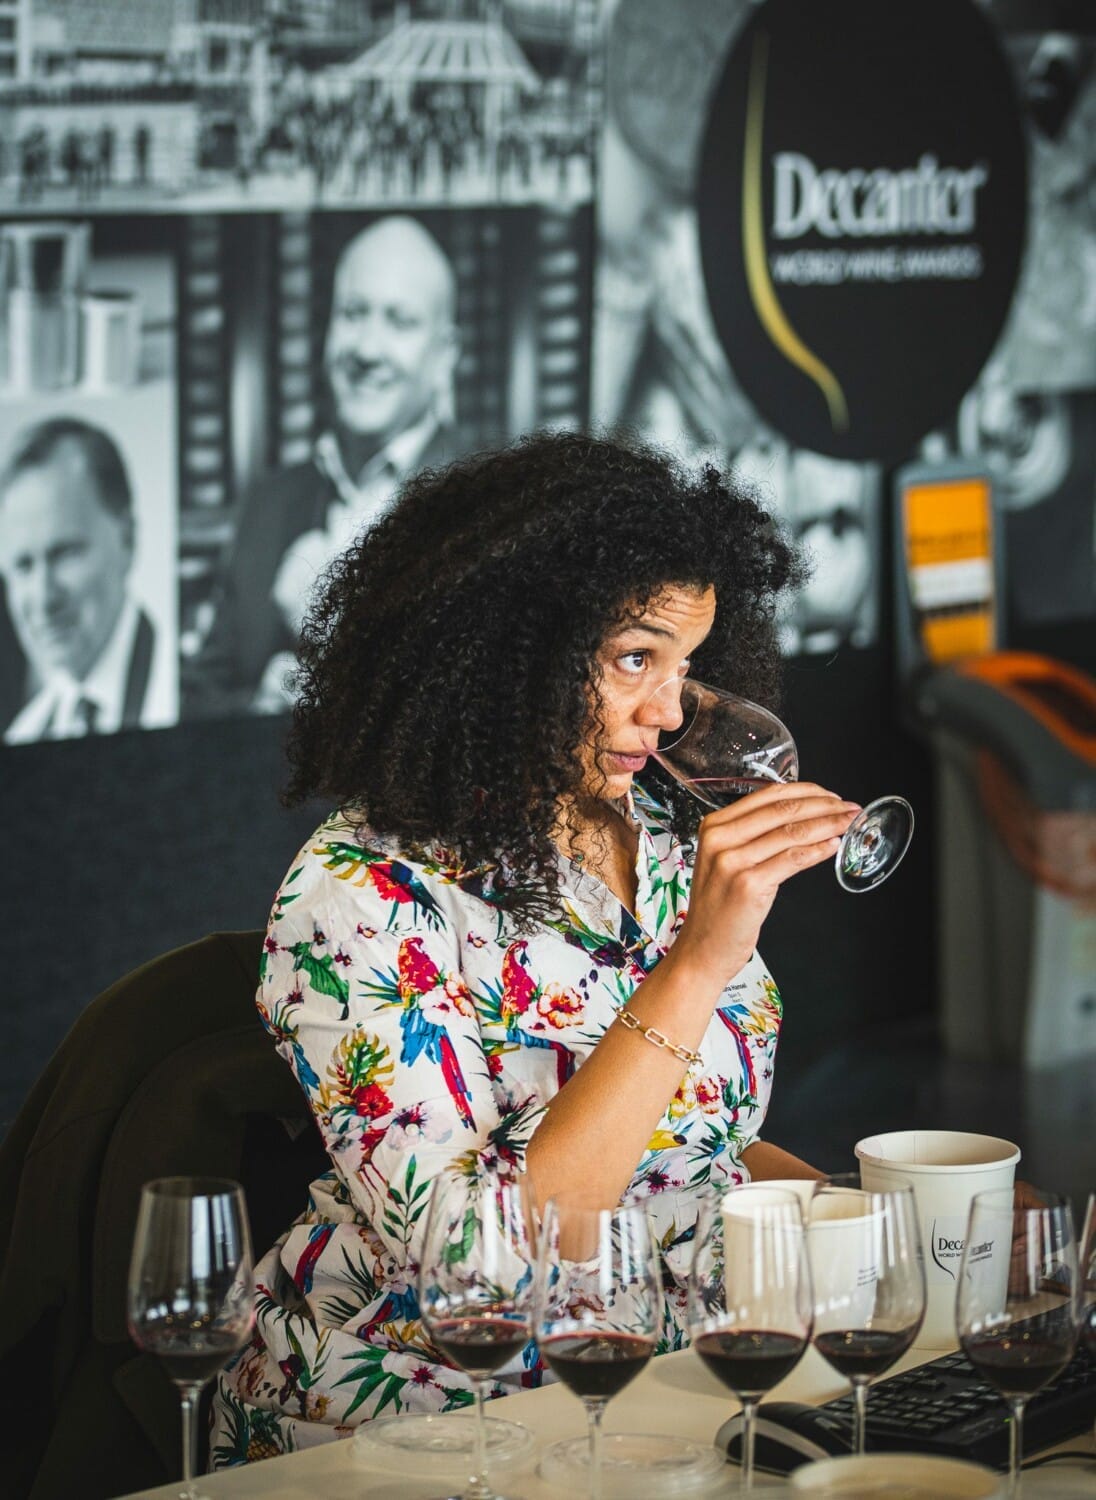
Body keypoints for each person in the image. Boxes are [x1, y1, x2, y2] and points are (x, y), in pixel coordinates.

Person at [209, 431, 860, 1464]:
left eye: (686, 666)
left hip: (668, 1374)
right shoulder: (358, 898)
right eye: (634, 658)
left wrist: (880, 1213)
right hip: (432, 1410)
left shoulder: (656, 831)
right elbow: (482, 1264)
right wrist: (694, 963)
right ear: (508, 646)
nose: (667, 711)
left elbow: (692, 1146)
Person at [191, 214, 461, 717]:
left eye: (399, 322)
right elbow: (197, 698)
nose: (366, 349)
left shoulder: (497, 502)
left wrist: (339, 638)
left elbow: (507, 713)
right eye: (353, 314)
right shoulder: (269, 502)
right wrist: (256, 709)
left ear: (444, 355)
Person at [0, 417, 175, 743]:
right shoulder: (24, 734)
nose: (43, 598)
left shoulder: (183, 695)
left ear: (128, 540)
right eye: (23, 566)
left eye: (64, 553)